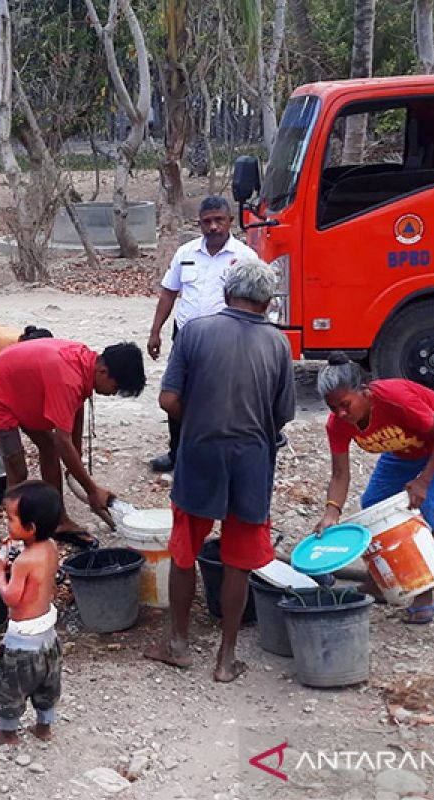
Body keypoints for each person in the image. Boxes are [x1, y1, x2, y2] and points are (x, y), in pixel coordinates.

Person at [144, 258, 294, 682]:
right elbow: (282, 415)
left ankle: (178, 644)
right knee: (238, 560)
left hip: (199, 453)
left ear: (228, 293)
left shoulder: (195, 331)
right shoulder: (279, 344)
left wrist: (201, 419)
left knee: (184, 550)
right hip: (251, 460)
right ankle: (226, 659)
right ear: (266, 303)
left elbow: (168, 400)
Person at [313, 353, 434, 624]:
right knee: (373, 502)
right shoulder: (337, 424)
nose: (340, 413)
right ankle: (379, 582)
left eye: (345, 404)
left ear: (365, 392)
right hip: (402, 448)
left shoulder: (394, 398)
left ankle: (425, 592)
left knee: (428, 510)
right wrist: (331, 512)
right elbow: (340, 474)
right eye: (333, 408)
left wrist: (423, 480)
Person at [0, 338, 146, 546]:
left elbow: (77, 404)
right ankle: (17, 530)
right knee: (18, 469)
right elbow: (63, 441)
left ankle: (58, 521)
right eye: (115, 387)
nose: (112, 393)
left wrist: (78, 452)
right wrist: (92, 490)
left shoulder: (85, 361)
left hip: (23, 392)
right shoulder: (68, 379)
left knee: (49, 449)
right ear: (103, 372)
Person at [146, 196, 259, 473]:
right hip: (185, 337)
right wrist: (155, 331)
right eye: (207, 222)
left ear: (230, 221)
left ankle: (219, 453)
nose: (213, 227)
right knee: (175, 395)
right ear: (199, 224)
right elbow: (169, 292)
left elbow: (258, 300)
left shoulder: (245, 258)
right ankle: (178, 453)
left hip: (228, 341)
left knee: (222, 398)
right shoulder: (185, 253)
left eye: (219, 220)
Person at [0, 481, 63, 745]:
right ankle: (44, 726)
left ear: (30, 528)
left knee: (10, 687)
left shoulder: (24, 562)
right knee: (47, 684)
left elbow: (11, 597)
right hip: (48, 635)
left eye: (10, 519)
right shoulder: (50, 546)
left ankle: (7, 731)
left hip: (22, 641)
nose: (6, 523)